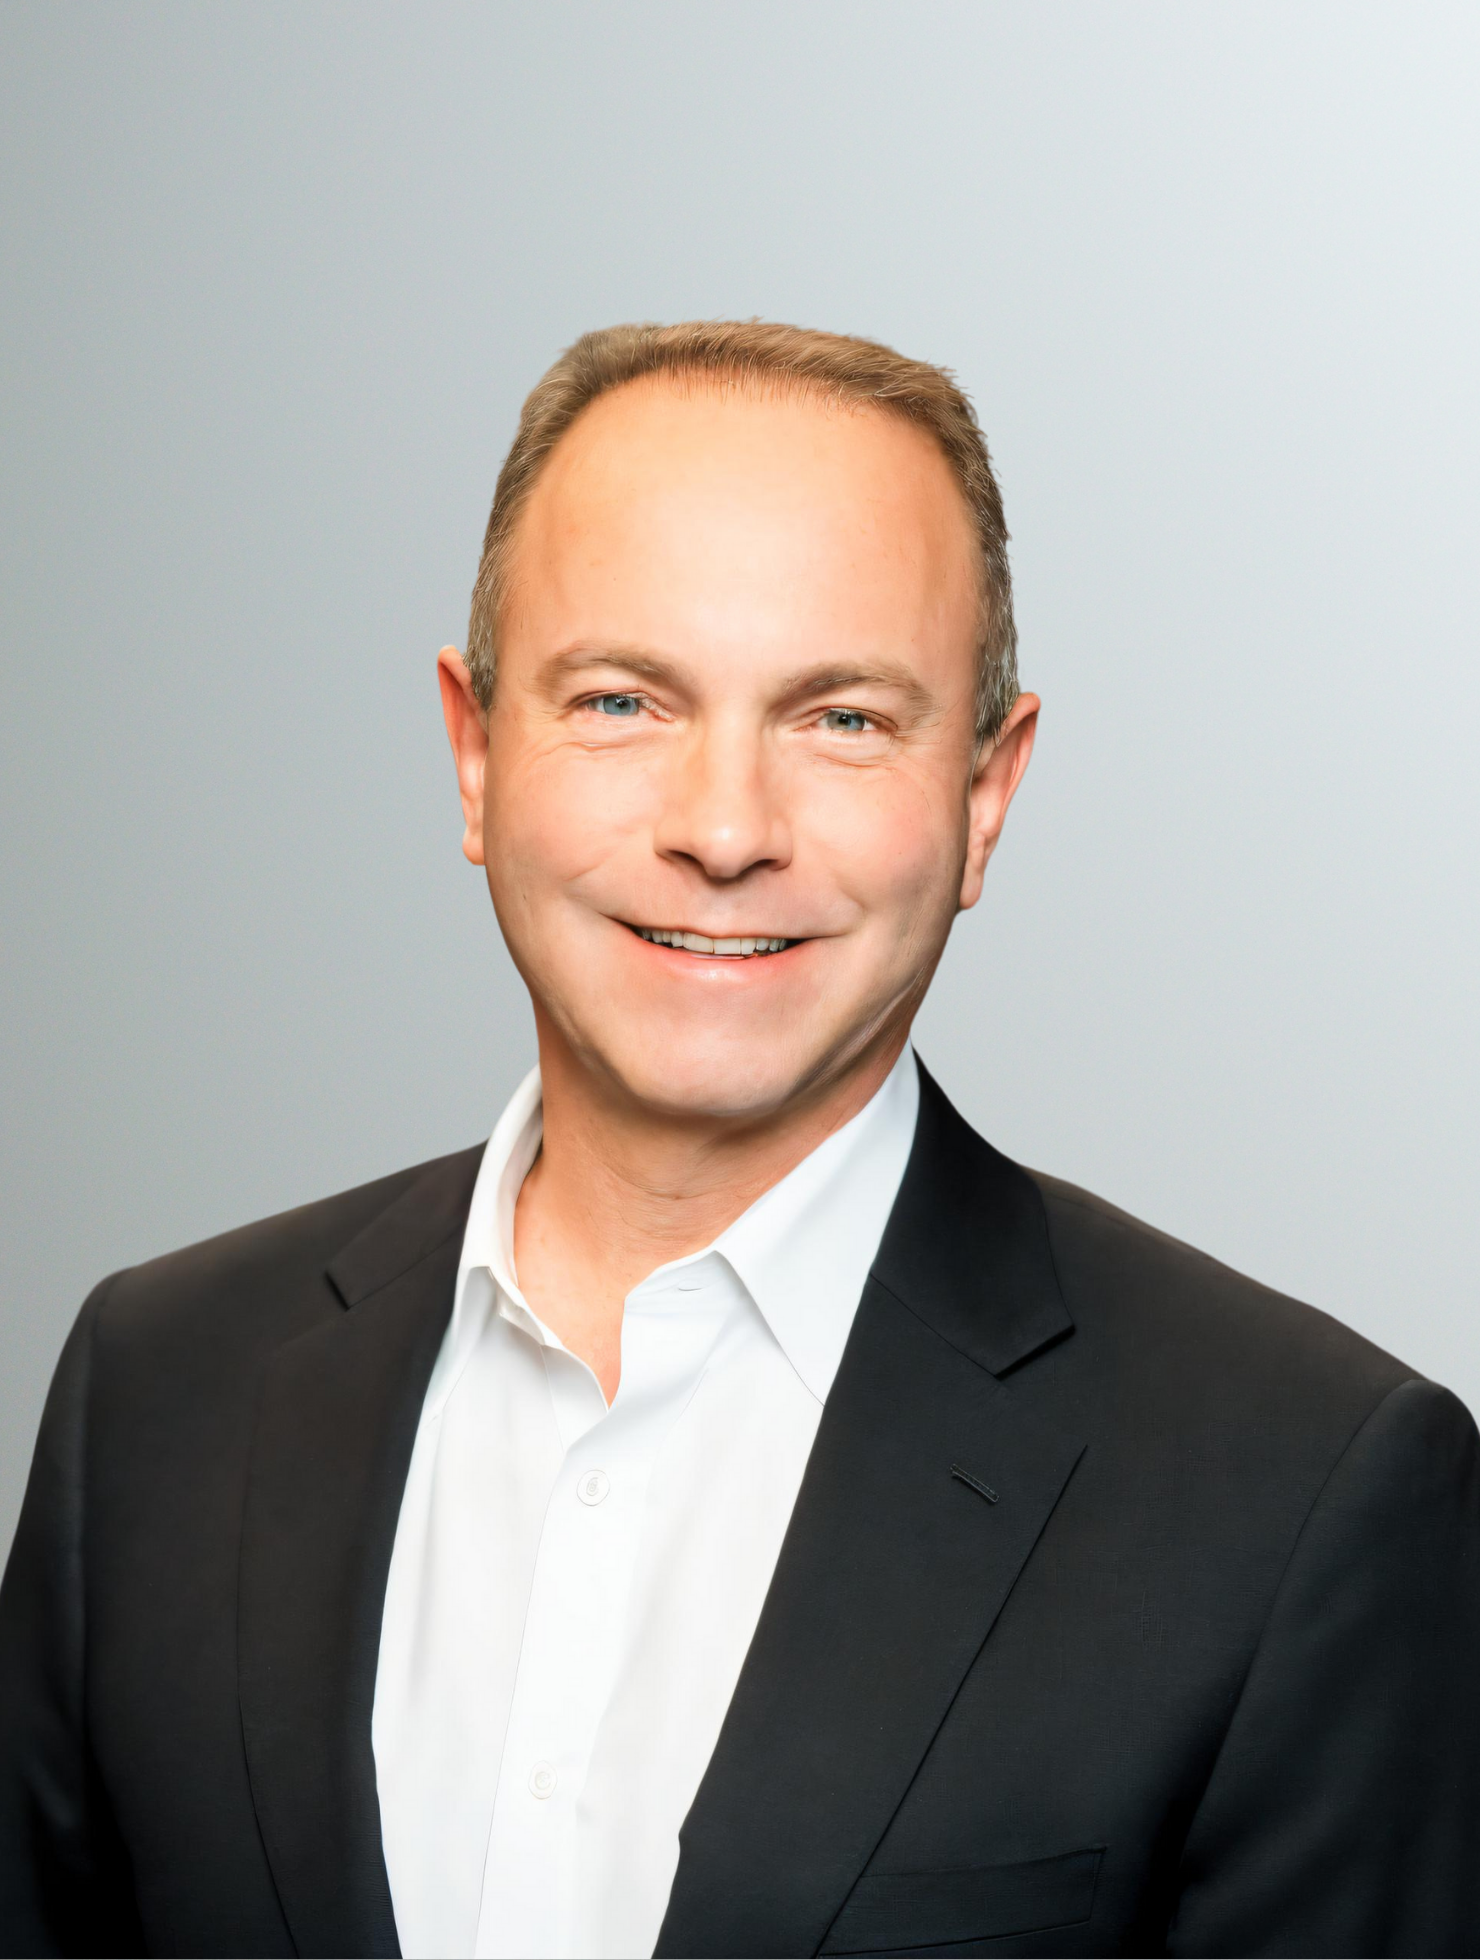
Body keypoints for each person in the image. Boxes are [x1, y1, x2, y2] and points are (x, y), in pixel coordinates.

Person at [1, 320, 1476, 1960]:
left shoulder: (1301, 1496)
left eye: (841, 720)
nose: (722, 830)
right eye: (622, 700)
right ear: (475, 754)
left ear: (985, 794)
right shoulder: (156, 1394)